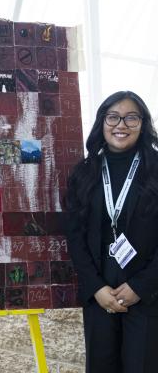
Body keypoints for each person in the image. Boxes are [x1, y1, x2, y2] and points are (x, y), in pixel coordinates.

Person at [65, 91, 158, 372]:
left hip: (148, 293)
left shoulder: (156, 170)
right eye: (113, 117)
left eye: (131, 117)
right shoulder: (85, 172)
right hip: (100, 292)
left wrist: (141, 286)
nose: (121, 125)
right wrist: (95, 287)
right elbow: (75, 236)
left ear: (143, 124)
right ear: (102, 122)